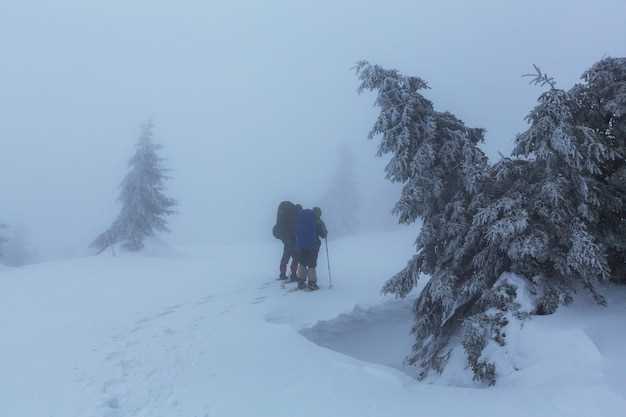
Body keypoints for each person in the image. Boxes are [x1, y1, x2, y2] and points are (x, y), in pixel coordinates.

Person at [295, 206, 328, 290]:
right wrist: (325, 232)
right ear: (318, 213)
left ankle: (301, 282)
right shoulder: (317, 221)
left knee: (302, 263)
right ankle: (312, 283)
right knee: (312, 264)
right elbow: (323, 234)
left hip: (301, 245)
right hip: (313, 246)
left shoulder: (301, 219)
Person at [273, 201, 301, 281]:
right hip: (293, 240)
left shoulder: (288, 216)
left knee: (285, 258)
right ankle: (293, 275)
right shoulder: (295, 216)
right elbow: (296, 229)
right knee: (295, 258)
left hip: (286, 240)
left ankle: (282, 274)